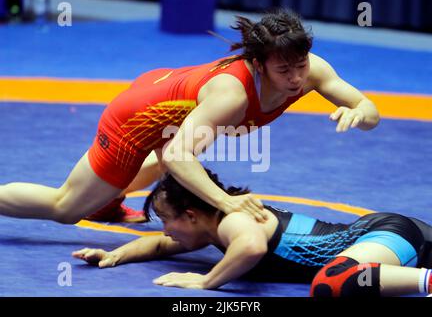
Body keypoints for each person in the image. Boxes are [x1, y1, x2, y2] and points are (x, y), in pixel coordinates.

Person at [0, 9, 379, 227]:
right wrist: (226, 203)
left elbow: (370, 111)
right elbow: (180, 156)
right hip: (136, 119)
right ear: (258, 65)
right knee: (66, 208)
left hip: (172, 95)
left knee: (170, 157)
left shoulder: (311, 69)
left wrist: (358, 113)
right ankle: (98, 198)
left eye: (300, 65)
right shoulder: (231, 95)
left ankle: (108, 199)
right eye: (284, 70)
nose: (296, 79)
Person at [73, 169, 432, 297]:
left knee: (333, 283)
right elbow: (158, 246)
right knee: (339, 282)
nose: (166, 230)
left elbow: (252, 247)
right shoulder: (213, 228)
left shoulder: (233, 220)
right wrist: (112, 256)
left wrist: (205, 282)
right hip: (393, 240)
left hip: (384, 233)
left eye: (168, 220)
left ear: (192, 214)